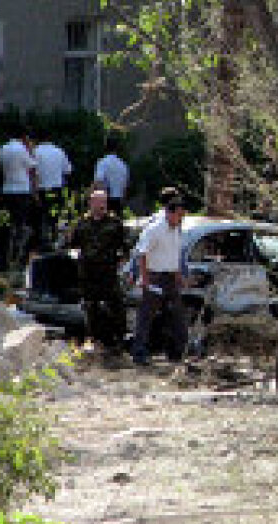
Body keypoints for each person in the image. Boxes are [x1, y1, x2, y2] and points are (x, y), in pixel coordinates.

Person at [63, 190, 129, 359]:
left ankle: (118, 339)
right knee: (91, 307)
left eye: (104, 203)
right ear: (91, 203)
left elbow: (124, 246)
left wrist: (121, 261)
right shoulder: (82, 223)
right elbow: (72, 244)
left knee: (115, 304)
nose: (101, 206)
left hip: (108, 271)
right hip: (88, 272)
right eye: (97, 202)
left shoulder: (114, 223)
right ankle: (95, 338)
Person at [131, 194, 188, 365]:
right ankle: (139, 352)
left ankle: (177, 353)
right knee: (146, 316)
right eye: (178, 215)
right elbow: (142, 253)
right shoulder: (154, 229)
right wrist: (145, 278)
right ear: (170, 213)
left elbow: (174, 254)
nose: (180, 219)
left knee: (176, 316)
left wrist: (179, 277)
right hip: (154, 276)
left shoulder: (177, 230)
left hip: (171, 278)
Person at [0, 130, 38, 269]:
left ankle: (4, 257)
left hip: (7, 189)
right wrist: (30, 150)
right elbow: (32, 167)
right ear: (24, 138)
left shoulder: (4, 148)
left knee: (7, 224)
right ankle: (17, 257)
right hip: (21, 190)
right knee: (21, 225)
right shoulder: (21, 149)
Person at [33, 133, 73, 244]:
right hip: (56, 188)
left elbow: (32, 171)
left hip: (41, 189)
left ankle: (42, 240)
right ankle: (55, 239)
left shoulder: (35, 152)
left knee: (41, 216)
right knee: (55, 215)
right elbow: (68, 170)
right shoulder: (59, 151)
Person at [93, 136, 130, 215]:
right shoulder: (122, 165)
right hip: (119, 200)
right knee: (117, 224)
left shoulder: (102, 163)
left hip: (106, 200)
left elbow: (99, 181)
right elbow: (125, 186)